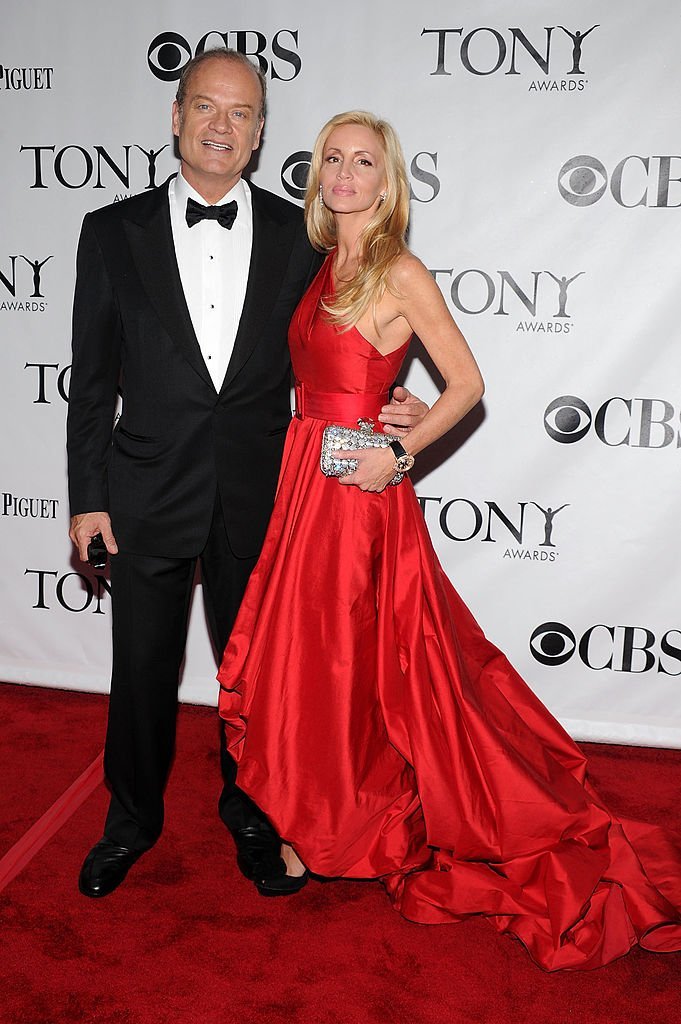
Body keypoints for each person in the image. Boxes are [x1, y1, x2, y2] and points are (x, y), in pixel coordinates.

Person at [217, 110, 681, 968]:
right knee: (316, 662)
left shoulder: (396, 268)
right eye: (332, 159)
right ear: (316, 172)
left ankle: (345, 826)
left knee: (350, 666)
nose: (346, 174)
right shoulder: (329, 263)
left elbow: (466, 383)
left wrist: (397, 447)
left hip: (354, 497)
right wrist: (386, 417)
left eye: (364, 162)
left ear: (389, 181)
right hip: (303, 481)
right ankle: (319, 819)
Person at [66, 52, 426, 900]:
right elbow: (91, 380)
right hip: (145, 490)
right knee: (142, 670)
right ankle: (130, 825)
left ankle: (259, 818)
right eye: (206, 108)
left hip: (268, 497)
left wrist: (394, 403)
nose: (222, 126)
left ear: (262, 132)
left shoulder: (304, 237)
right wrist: (87, 500)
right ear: (176, 117)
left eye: (242, 113)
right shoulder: (111, 231)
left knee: (261, 675)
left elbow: (343, 349)